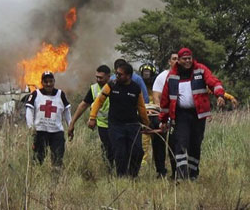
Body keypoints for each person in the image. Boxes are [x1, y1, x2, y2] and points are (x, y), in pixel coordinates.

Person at [159, 48, 225, 180]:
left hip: (198, 115)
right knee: (180, 143)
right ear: (179, 60)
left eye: (189, 58)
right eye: (184, 59)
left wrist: (220, 95)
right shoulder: (171, 76)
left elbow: (214, 82)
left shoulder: (201, 70)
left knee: (195, 144)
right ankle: (181, 175)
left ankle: (193, 174)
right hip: (180, 115)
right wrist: (163, 120)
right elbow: (165, 100)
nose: (188, 61)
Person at [88, 62, 150, 177]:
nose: (117, 76)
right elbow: (98, 101)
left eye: (120, 75)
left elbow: (141, 107)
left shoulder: (136, 88)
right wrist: (92, 117)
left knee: (137, 152)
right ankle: (121, 177)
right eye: (116, 74)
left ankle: (133, 176)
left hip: (133, 125)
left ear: (128, 76)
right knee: (120, 153)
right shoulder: (111, 85)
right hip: (116, 125)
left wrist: (146, 123)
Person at [67, 65, 114, 167]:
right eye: (96, 77)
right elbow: (83, 105)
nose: (98, 79)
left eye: (101, 77)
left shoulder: (115, 86)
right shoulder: (94, 89)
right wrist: (72, 123)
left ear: (108, 77)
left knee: (117, 148)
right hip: (103, 124)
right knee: (107, 148)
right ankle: (109, 170)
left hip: (116, 123)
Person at [26, 71, 71, 167]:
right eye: (46, 82)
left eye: (51, 81)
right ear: (41, 82)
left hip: (57, 132)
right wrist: (30, 127)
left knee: (58, 158)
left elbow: (67, 111)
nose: (48, 84)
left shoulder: (60, 94)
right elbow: (29, 111)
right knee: (38, 159)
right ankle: (37, 178)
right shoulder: (35, 94)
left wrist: (70, 126)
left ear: (54, 81)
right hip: (40, 132)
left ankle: (56, 178)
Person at [151, 51, 179, 179]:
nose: (177, 61)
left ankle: (177, 172)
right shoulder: (162, 77)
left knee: (175, 144)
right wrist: (163, 115)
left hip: (179, 116)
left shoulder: (186, 76)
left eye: (179, 59)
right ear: (169, 61)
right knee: (159, 142)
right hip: (163, 114)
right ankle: (160, 170)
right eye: (174, 59)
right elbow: (156, 97)